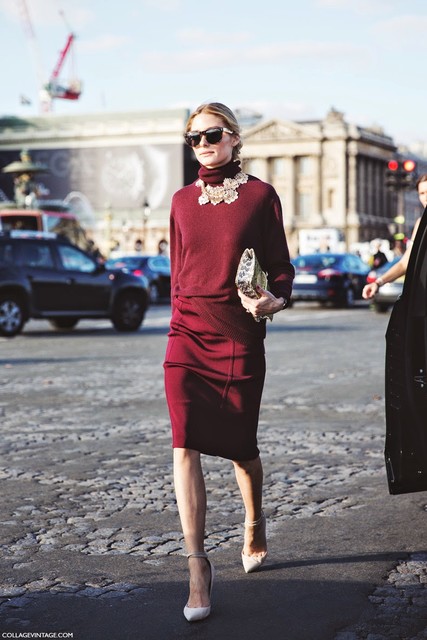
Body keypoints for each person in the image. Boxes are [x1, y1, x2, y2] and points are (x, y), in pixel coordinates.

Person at [163, 102, 294, 622]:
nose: (203, 145)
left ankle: (255, 520)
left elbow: (281, 266)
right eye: (193, 138)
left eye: (212, 135)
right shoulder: (179, 201)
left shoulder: (261, 196)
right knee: (184, 443)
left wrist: (274, 301)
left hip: (239, 335)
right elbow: (178, 272)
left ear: (235, 138)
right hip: (186, 335)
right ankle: (198, 567)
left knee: (241, 449)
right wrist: (178, 321)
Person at [363, 173, 427, 300]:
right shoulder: (421, 224)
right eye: (422, 193)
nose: (426, 198)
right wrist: (378, 282)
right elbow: (405, 263)